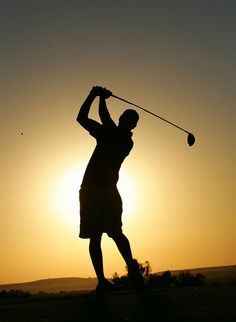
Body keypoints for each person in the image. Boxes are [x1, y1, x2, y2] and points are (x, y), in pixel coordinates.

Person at [77, 86, 144, 292]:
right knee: (102, 235)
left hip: (98, 191)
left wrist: (98, 96)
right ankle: (104, 280)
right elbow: (81, 117)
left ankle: (129, 271)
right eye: (123, 116)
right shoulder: (114, 135)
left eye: (125, 118)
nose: (122, 118)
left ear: (130, 124)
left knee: (112, 233)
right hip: (97, 191)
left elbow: (103, 118)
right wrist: (94, 96)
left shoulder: (123, 139)